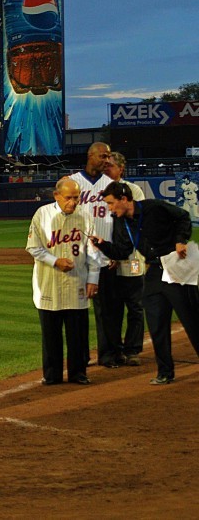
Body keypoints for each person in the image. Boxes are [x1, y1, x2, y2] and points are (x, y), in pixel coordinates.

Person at [93, 182, 199, 385]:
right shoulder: (122, 222)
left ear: (124, 199)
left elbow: (183, 217)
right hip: (154, 272)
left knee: (192, 320)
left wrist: (180, 240)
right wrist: (103, 245)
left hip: (177, 267)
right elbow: (123, 251)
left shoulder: (154, 207)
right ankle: (165, 372)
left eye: (111, 203)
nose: (109, 208)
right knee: (156, 323)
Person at [26, 178, 100, 385]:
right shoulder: (42, 215)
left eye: (76, 197)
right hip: (49, 282)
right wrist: (54, 260)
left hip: (77, 281)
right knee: (51, 335)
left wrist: (93, 279)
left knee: (78, 333)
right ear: (56, 196)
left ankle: (79, 373)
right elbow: (33, 247)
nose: (73, 202)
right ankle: (52, 375)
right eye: (68, 198)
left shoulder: (85, 216)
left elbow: (93, 251)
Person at [69, 142, 120, 368]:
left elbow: (118, 219)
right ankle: (80, 357)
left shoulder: (111, 184)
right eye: (102, 155)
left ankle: (107, 355)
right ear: (90, 156)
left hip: (104, 256)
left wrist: (115, 251)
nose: (106, 160)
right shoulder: (71, 183)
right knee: (76, 312)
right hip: (78, 256)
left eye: (108, 156)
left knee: (106, 311)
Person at [107, 152, 146, 365]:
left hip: (131, 258)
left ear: (121, 168)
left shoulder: (134, 190)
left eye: (111, 166)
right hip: (109, 260)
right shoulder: (100, 193)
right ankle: (114, 351)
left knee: (134, 306)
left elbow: (136, 223)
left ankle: (132, 350)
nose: (107, 169)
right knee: (112, 309)